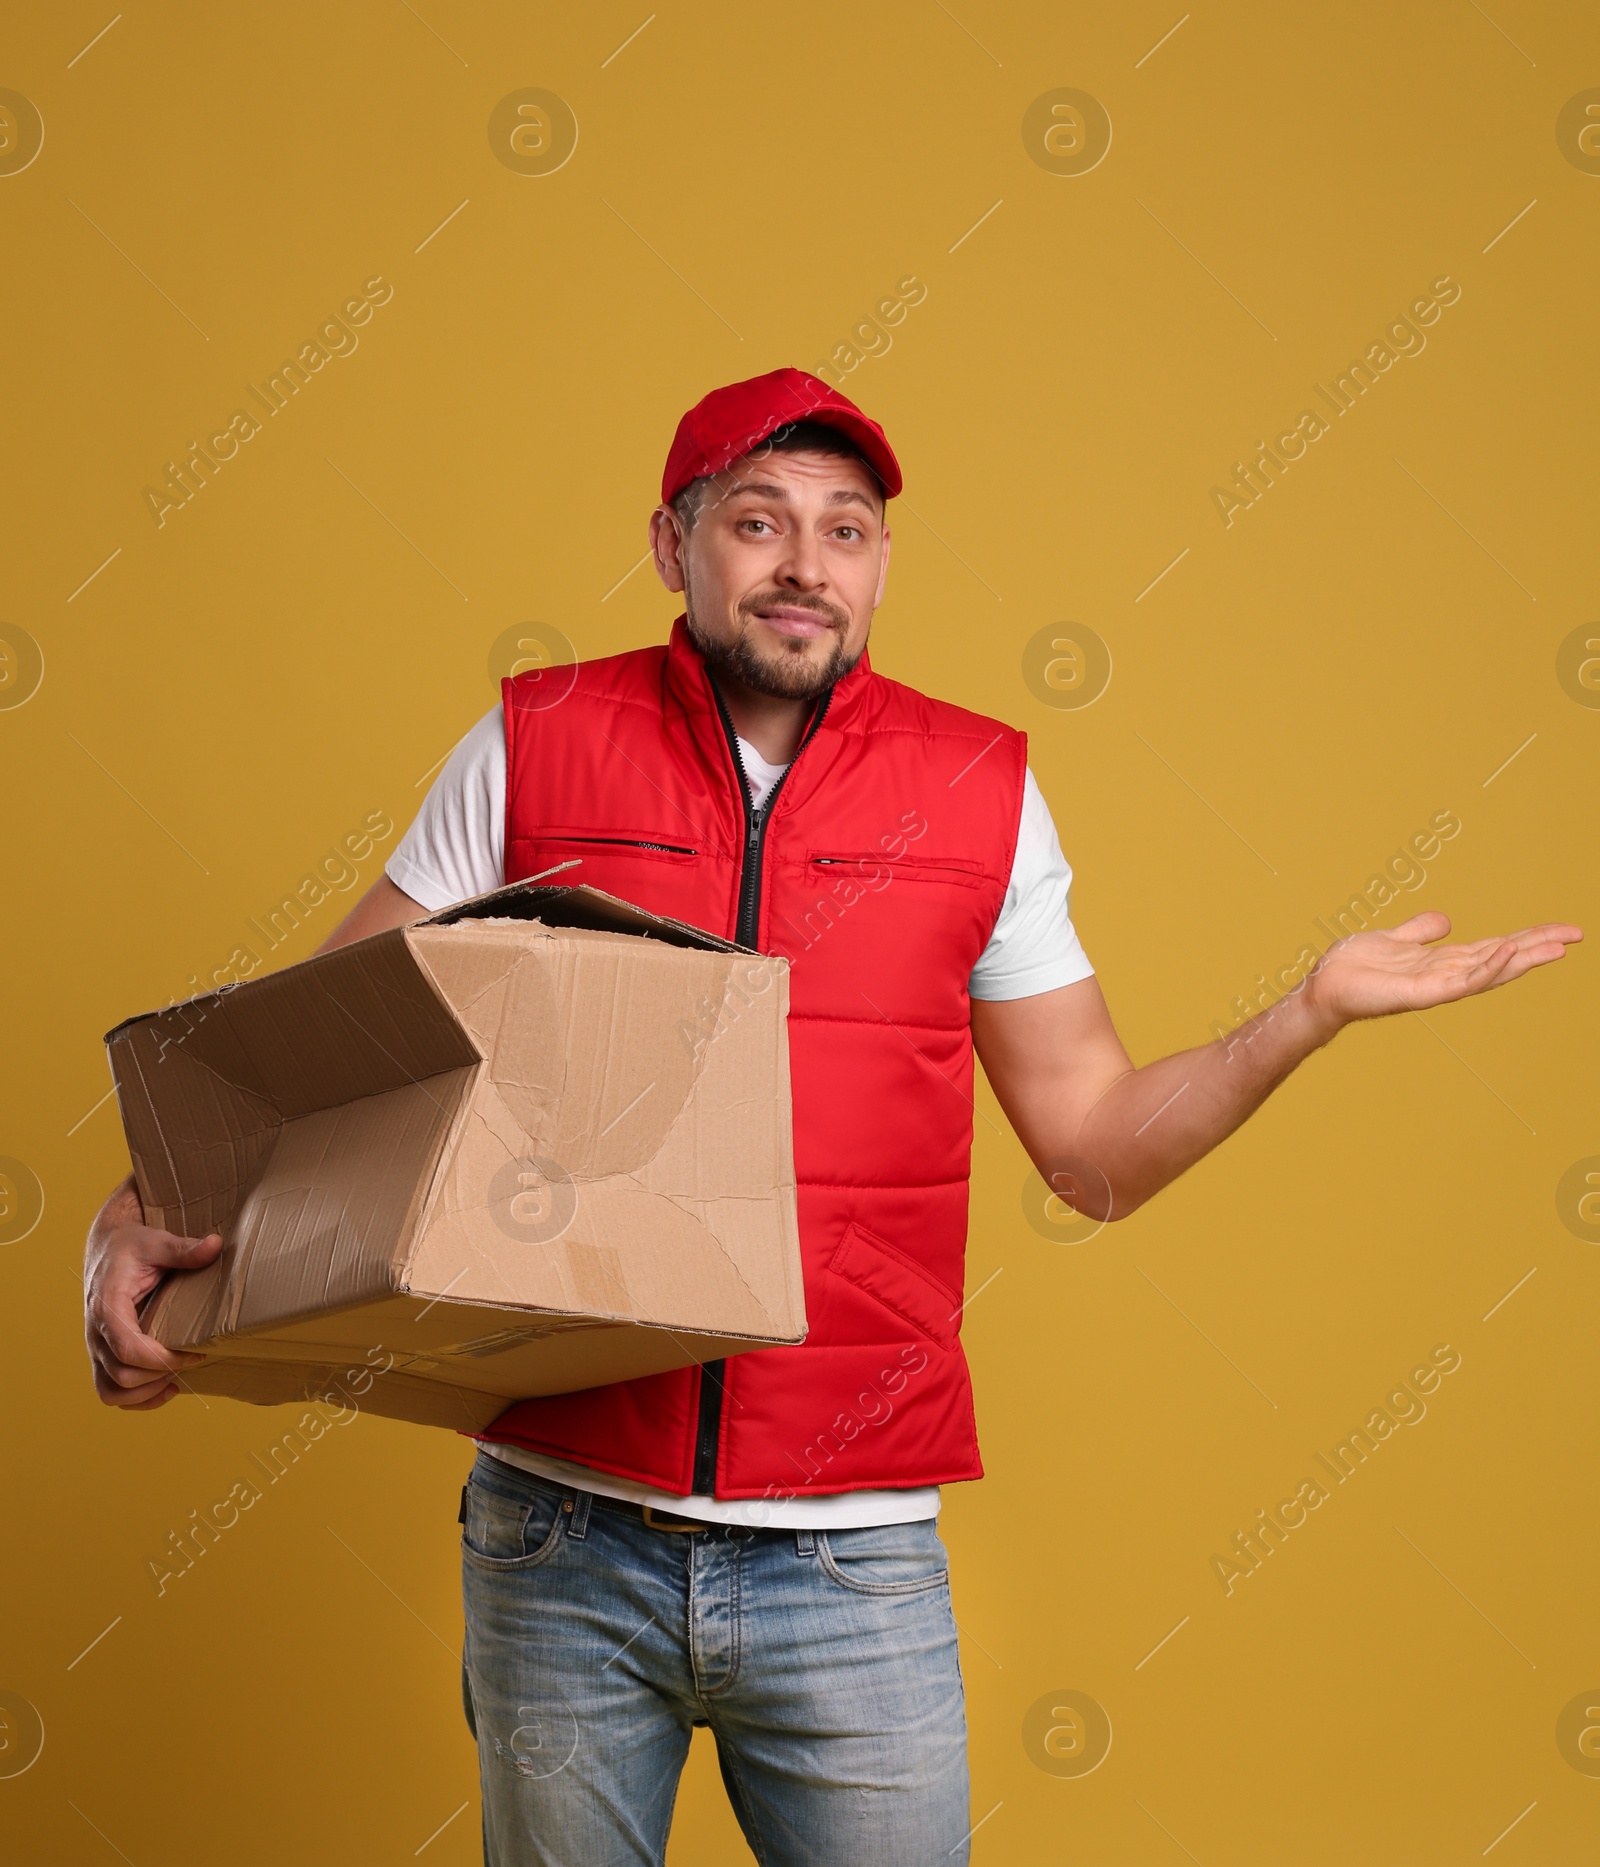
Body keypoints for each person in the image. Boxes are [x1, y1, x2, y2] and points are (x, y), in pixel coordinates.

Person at [83, 369, 1580, 1865]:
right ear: (674, 548)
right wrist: (131, 1224)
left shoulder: (983, 790)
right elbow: (301, 1065)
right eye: (759, 521)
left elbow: (1096, 1155)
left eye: (847, 531)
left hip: (853, 1561)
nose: (807, 564)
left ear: (877, 566)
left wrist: (1303, 1014)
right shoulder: (530, 748)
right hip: (560, 1535)